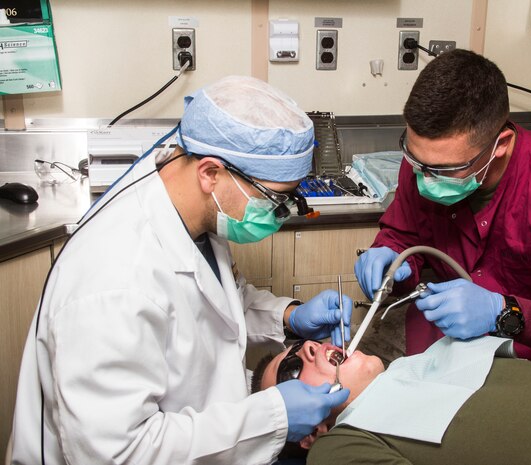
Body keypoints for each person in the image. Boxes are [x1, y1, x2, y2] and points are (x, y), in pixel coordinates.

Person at [10, 76, 352, 465]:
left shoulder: (191, 205)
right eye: (274, 198)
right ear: (210, 173)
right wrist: (272, 418)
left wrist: (290, 317)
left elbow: (208, 305)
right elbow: (115, 454)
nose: (281, 213)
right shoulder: (114, 280)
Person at [354, 49, 531, 372]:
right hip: (445, 348)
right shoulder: (426, 164)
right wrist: (390, 255)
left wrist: (505, 313)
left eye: (446, 169)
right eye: (417, 160)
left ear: (500, 144)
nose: (425, 179)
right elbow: (403, 234)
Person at [253, 338, 531, 465]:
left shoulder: (436, 358)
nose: (308, 347)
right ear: (307, 433)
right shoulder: (340, 447)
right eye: (292, 371)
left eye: (297, 343)